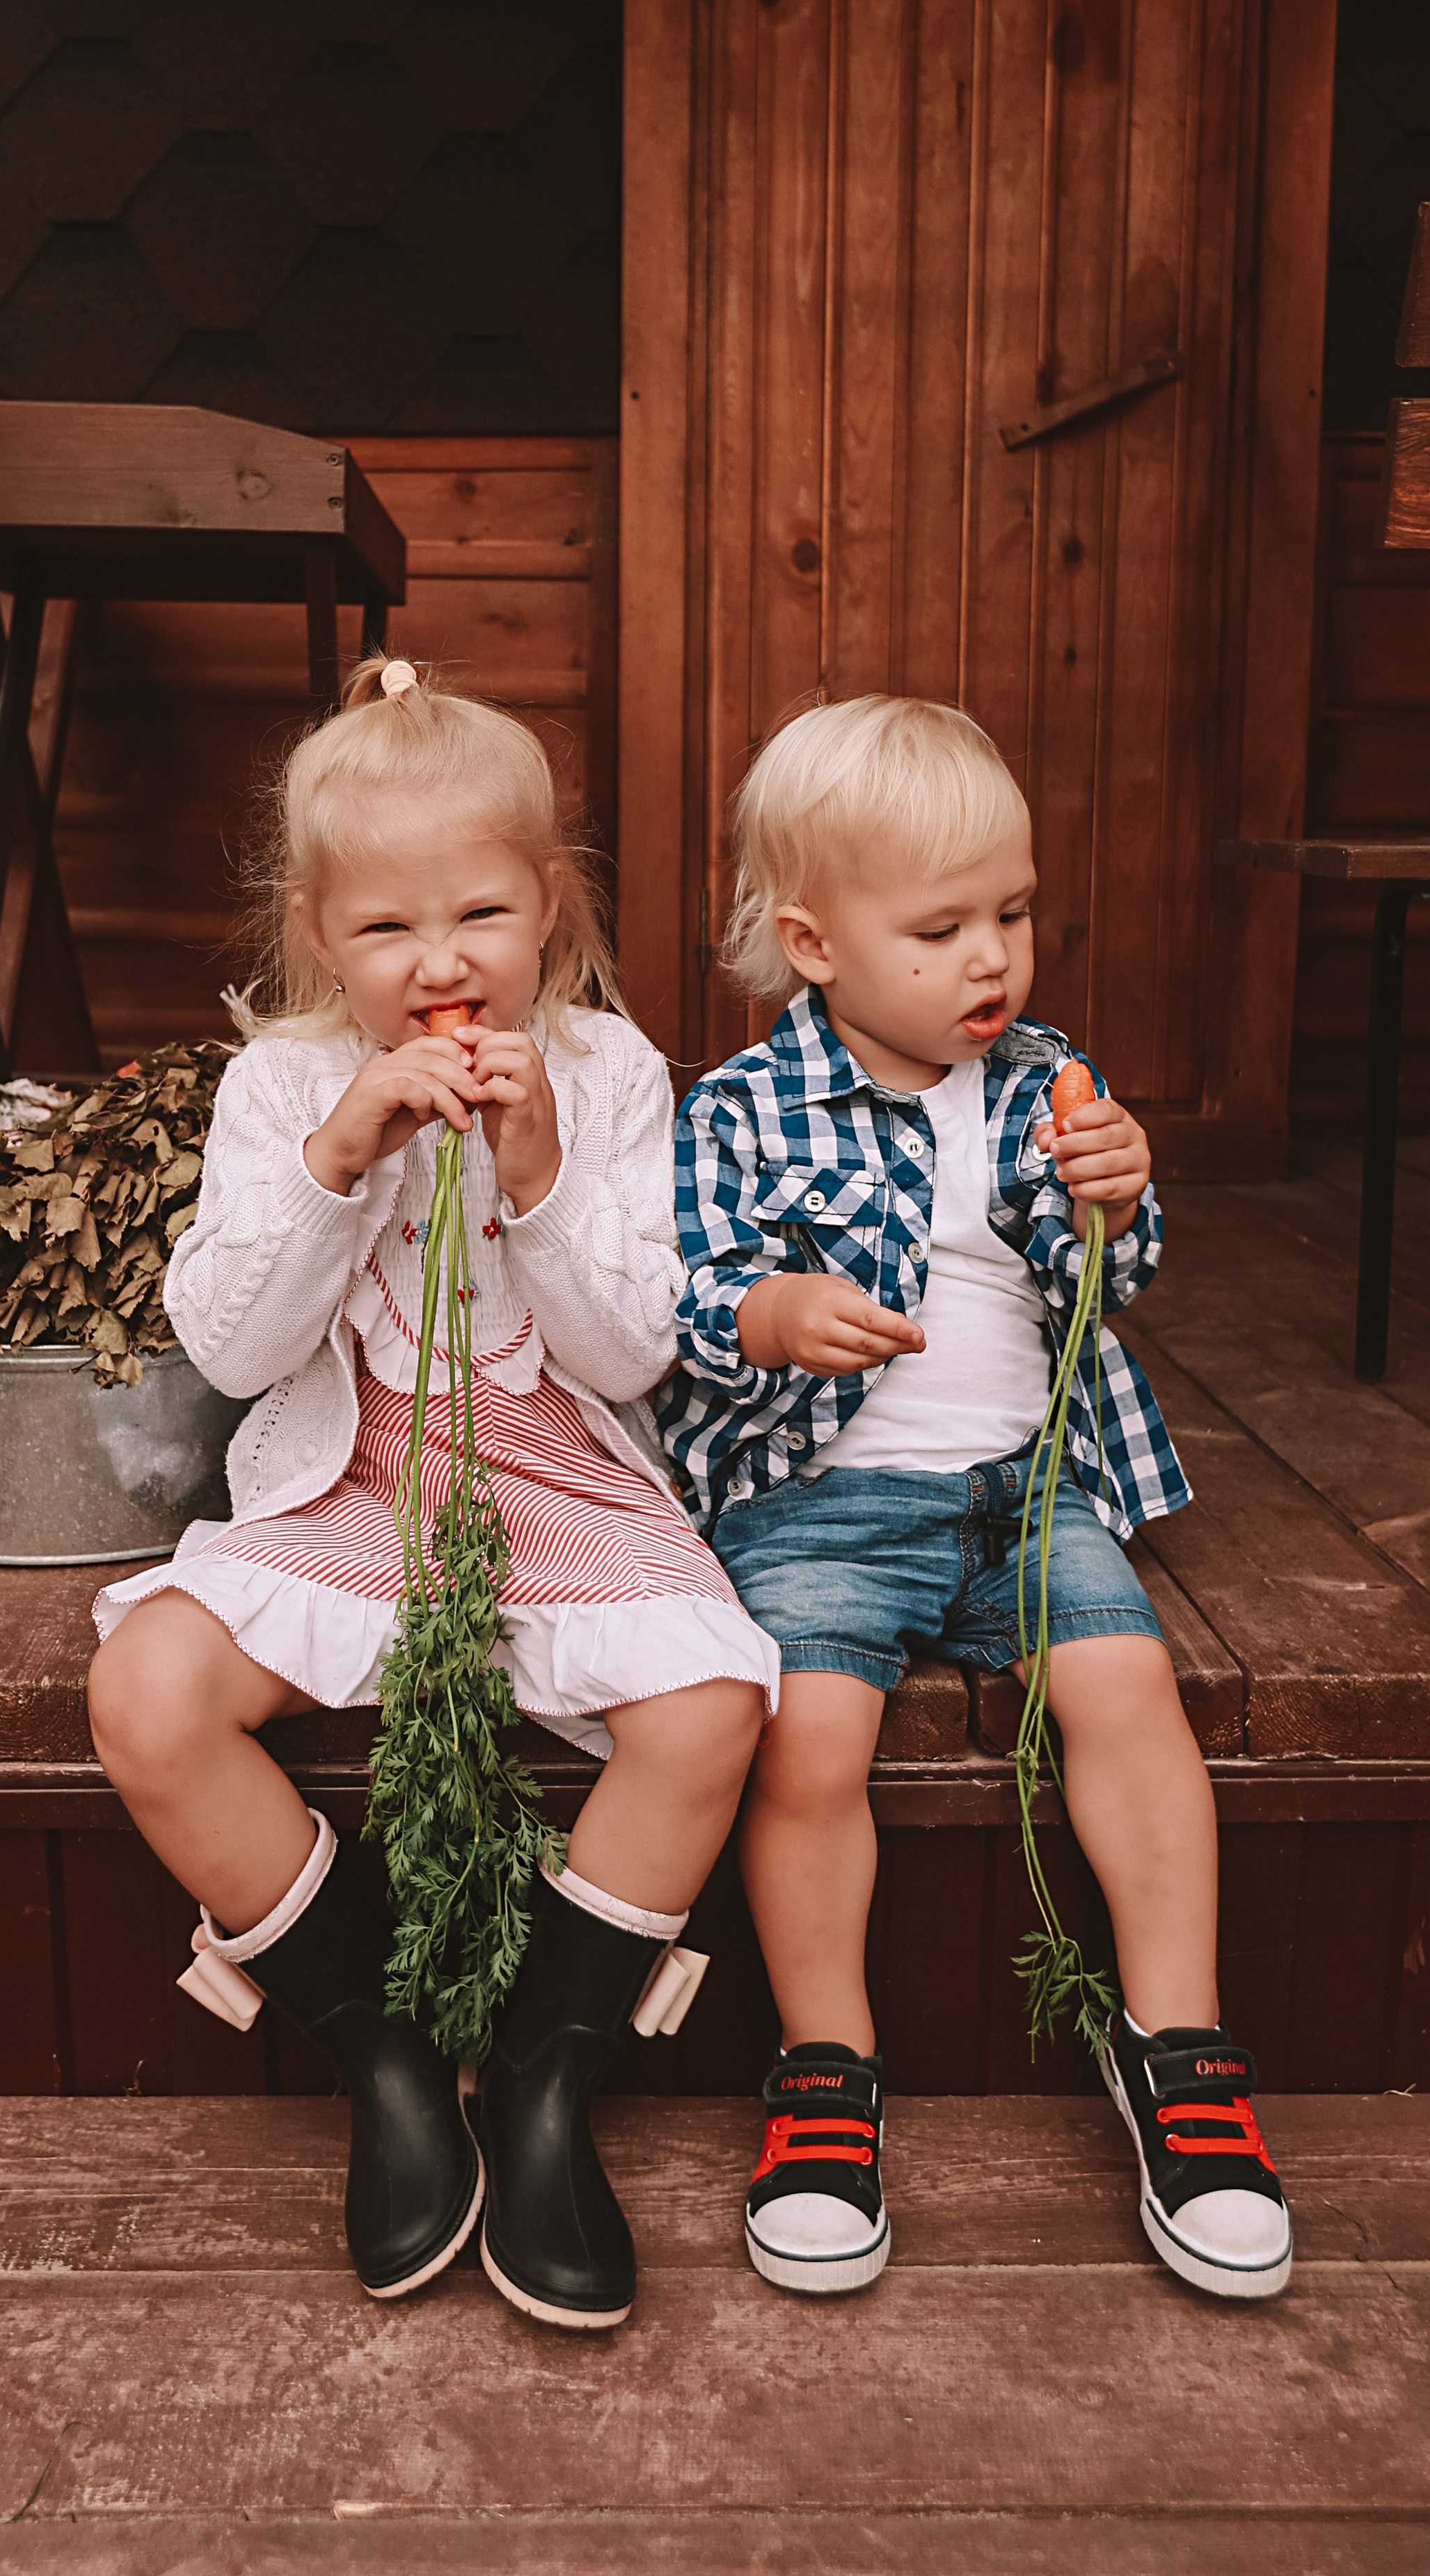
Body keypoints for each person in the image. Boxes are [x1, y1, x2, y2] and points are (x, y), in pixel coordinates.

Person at [88, 655, 773, 2332]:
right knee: (147, 1690)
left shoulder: (608, 1075)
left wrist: (536, 1172)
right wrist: (335, 1162)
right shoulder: (277, 1086)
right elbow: (238, 1352)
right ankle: (384, 2058)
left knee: (706, 1710)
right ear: (323, 938)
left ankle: (543, 2076)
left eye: (480, 914)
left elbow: (627, 1359)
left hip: (559, 1490)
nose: (442, 963)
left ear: (547, 907)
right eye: (388, 931)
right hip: (353, 1490)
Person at [657, 695, 1293, 2304]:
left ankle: (1181, 2051)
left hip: (1027, 1485)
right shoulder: (737, 1110)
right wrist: (769, 1318)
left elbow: (1112, 1282)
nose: (988, 959)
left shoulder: (1046, 1077)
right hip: (824, 1495)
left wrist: (1117, 1200)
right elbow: (681, 1297)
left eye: (1009, 913)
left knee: (1126, 1685)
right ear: (812, 942)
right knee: (806, 1732)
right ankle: (823, 2073)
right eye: (936, 927)